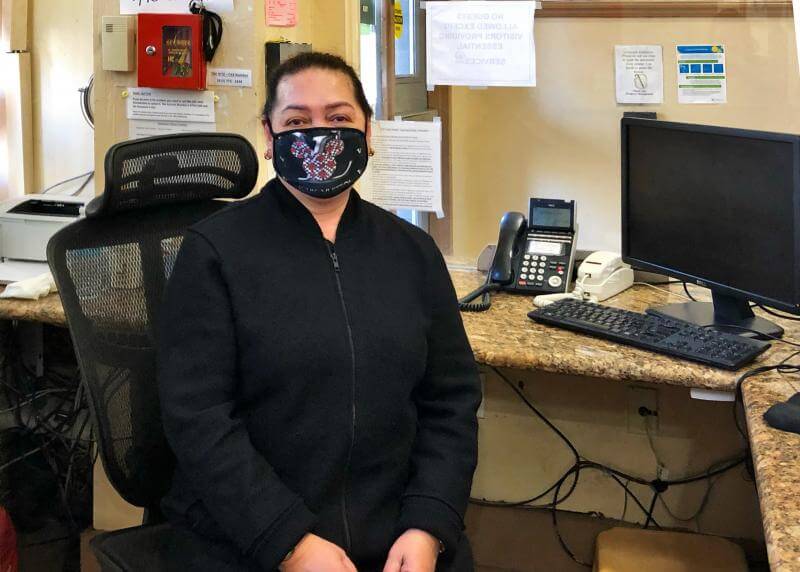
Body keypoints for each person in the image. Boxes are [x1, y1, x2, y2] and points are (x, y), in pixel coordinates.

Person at [157, 52, 481, 572]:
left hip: (398, 534)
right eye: (296, 122)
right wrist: (289, 542)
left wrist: (429, 524)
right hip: (250, 535)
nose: (318, 136)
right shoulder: (214, 252)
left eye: (338, 118)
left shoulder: (413, 252)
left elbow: (451, 403)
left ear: (368, 130)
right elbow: (198, 420)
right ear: (269, 135)